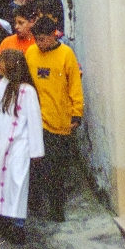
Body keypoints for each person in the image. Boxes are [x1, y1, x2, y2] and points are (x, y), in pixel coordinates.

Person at [0, 49, 44, 243]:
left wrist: (36, 150)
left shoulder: (27, 91)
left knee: (17, 183)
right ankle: (0, 219)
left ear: (9, 65)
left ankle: (18, 225)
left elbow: (34, 121)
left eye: (0, 61)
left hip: (19, 146)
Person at [25, 16, 84, 221]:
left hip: (58, 120)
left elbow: (75, 85)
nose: (39, 44)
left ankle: (57, 210)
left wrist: (76, 113)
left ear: (53, 35)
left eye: (43, 39)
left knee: (56, 169)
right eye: (36, 39)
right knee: (35, 165)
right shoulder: (31, 52)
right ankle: (34, 205)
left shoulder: (66, 54)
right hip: (35, 120)